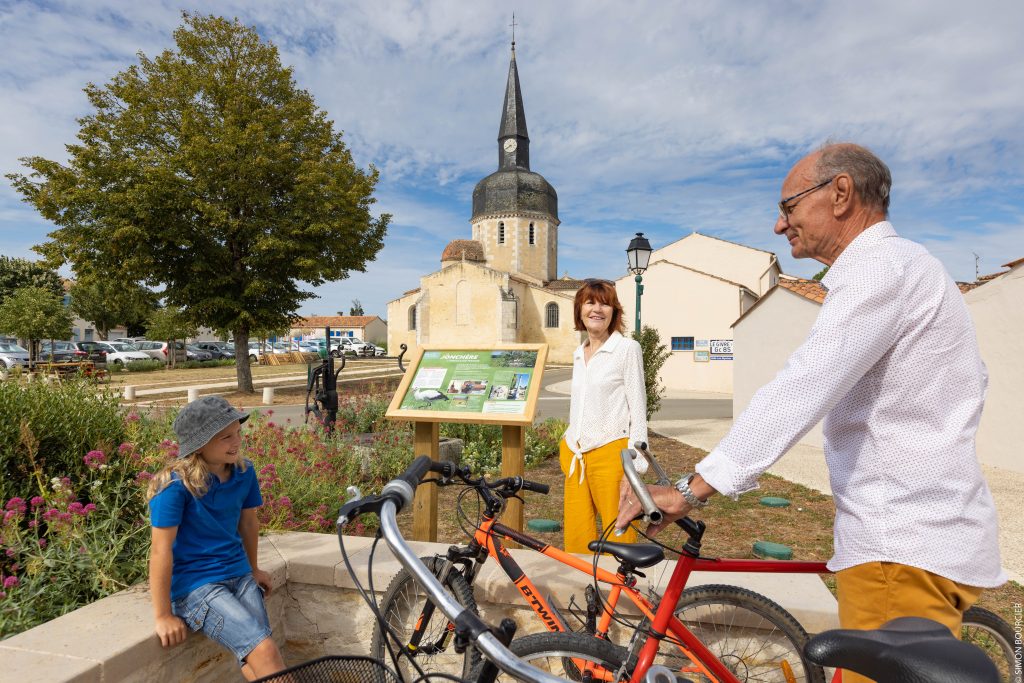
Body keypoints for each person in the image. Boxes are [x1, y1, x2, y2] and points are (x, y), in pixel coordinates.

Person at [617, 143, 1005, 682]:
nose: (780, 225)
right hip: (925, 541)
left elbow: (802, 387)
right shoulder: (912, 266)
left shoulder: (879, 269)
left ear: (840, 193)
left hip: (899, 550)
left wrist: (689, 489)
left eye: (790, 206)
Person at [148, 396, 285, 681]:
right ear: (199, 443)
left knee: (258, 657)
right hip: (198, 586)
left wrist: (254, 568)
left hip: (239, 574)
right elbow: (161, 551)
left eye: (238, 433)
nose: (236, 442)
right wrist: (163, 615)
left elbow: (248, 523)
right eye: (226, 437)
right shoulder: (175, 485)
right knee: (266, 652)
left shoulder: (244, 473)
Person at [561, 278, 648, 553]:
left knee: (618, 532)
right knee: (577, 536)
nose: (596, 309)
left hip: (612, 453)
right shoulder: (579, 353)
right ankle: (584, 589)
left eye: (604, 303)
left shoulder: (626, 350)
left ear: (614, 312)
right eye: (590, 303)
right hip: (576, 454)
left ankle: (619, 593)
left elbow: (638, 409)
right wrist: (567, 440)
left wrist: (633, 467)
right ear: (579, 310)